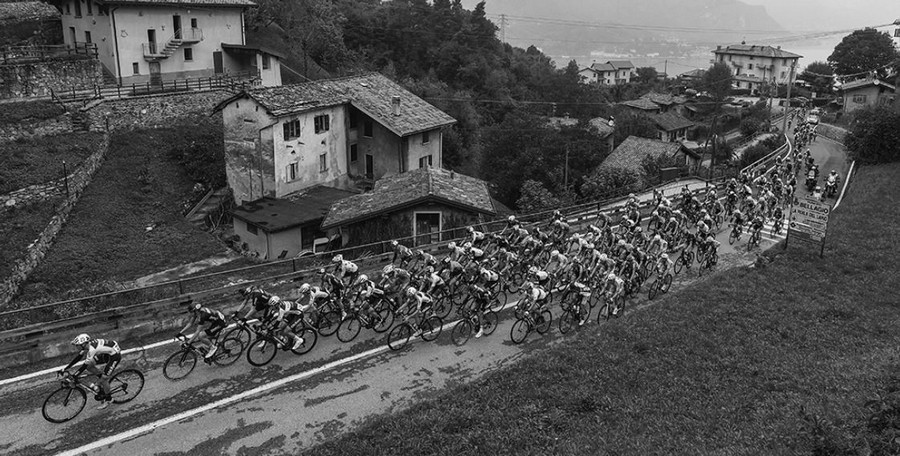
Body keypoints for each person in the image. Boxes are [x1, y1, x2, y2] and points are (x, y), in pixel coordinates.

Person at [60, 334, 121, 410]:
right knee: (90, 366)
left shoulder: (92, 349)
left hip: (114, 355)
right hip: (107, 352)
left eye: (77, 345)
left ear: (83, 344)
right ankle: (101, 381)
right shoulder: (86, 345)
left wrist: (75, 375)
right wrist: (66, 368)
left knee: (104, 378)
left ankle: (109, 399)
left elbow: (84, 366)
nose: (76, 347)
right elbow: (78, 358)